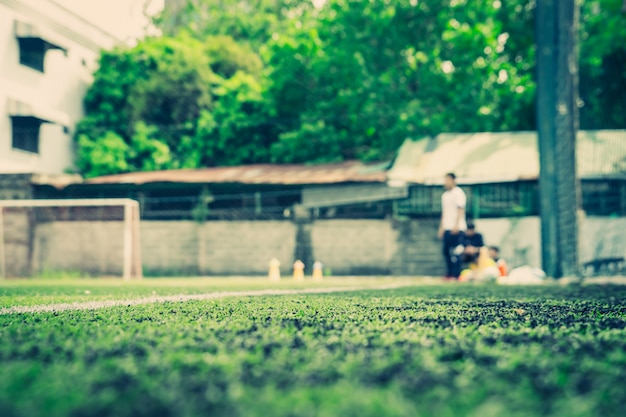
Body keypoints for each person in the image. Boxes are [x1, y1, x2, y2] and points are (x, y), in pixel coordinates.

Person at [438, 172, 467, 279]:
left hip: (458, 228)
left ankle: (456, 274)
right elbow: (444, 213)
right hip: (447, 227)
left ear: (453, 180)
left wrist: (456, 225)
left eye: (447, 180)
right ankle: (449, 273)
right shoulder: (445, 195)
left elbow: (460, 210)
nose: (446, 182)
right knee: (446, 251)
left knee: (457, 252)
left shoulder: (458, 193)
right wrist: (441, 227)